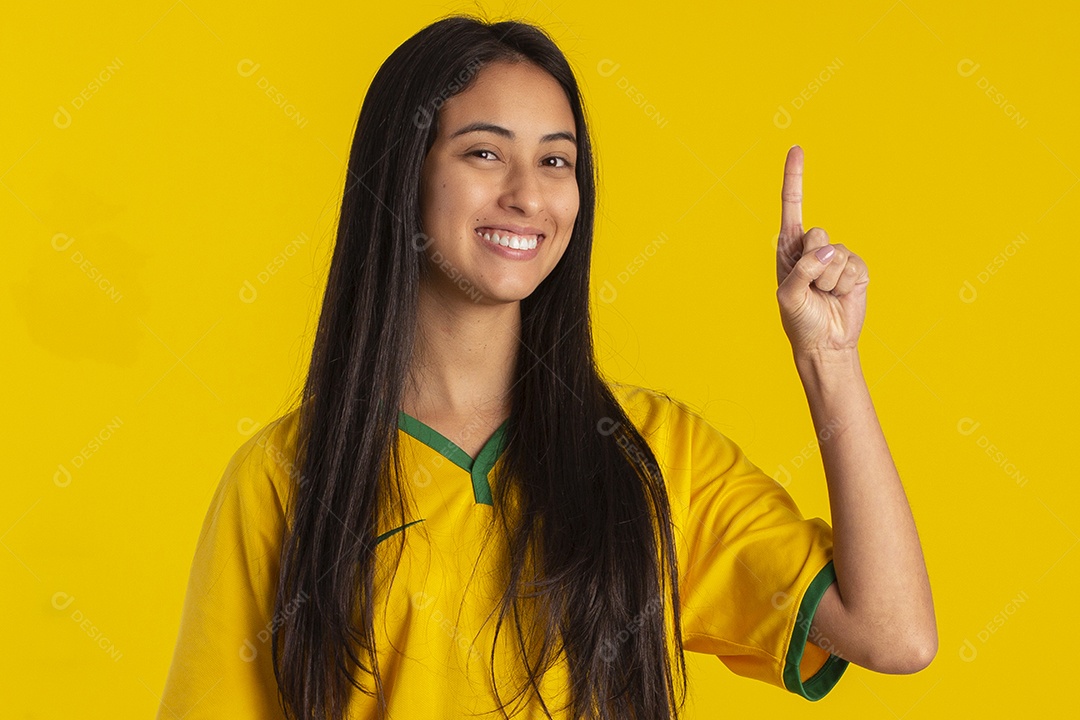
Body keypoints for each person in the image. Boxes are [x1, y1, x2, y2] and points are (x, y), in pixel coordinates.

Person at [156, 14, 936, 720]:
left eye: (556, 161)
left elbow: (893, 634)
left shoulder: (652, 454)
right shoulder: (285, 478)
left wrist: (828, 359)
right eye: (485, 152)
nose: (528, 195)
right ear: (405, 174)